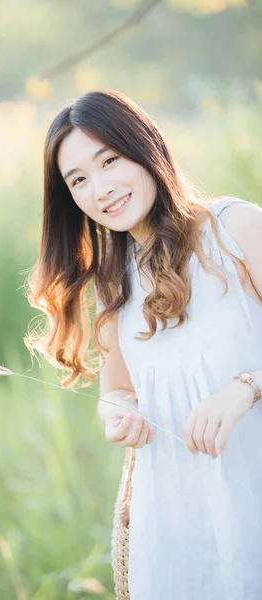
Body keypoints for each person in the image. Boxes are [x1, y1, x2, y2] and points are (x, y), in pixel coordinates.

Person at [24, 88, 262, 600]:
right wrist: (117, 415)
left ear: (145, 147)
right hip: (175, 511)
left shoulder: (236, 228)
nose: (102, 188)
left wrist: (245, 387)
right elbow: (117, 392)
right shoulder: (115, 284)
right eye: (80, 180)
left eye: (109, 160)